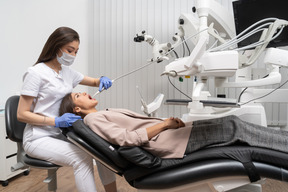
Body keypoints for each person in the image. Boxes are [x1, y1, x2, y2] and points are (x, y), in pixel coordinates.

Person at [17, 27, 116, 192]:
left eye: (76, 51)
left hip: (61, 135)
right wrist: (55, 121)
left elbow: (92, 81)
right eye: (70, 50)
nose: (73, 55)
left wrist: (102, 80)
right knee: (82, 158)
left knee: (101, 149)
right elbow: (21, 114)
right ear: (56, 46)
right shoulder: (35, 73)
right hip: (38, 138)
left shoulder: (66, 72)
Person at [60, 92, 288, 159]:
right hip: (168, 142)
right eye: (79, 95)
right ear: (77, 109)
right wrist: (166, 125)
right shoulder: (92, 119)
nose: (86, 92)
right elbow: (126, 140)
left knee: (233, 123)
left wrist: (168, 124)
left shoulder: (103, 113)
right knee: (234, 127)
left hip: (173, 135)